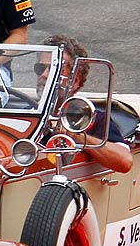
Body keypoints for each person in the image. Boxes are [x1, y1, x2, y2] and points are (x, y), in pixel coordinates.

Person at [34, 34, 133, 174]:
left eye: (55, 70)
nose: (44, 75)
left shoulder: (92, 118)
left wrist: (78, 136)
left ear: (75, 81)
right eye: (40, 68)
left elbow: (125, 161)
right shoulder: (25, 113)